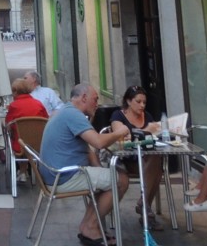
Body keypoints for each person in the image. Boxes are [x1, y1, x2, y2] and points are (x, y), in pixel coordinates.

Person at [41, 83, 130, 246]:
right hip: (63, 177)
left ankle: (89, 225)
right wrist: (119, 132)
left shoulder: (65, 111)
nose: (97, 104)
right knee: (121, 180)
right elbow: (98, 142)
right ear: (84, 98)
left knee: (107, 179)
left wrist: (98, 169)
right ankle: (90, 227)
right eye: (95, 99)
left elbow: (87, 148)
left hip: (55, 174)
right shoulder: (73, 115)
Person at [110, 85, 163, 230]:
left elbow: (151, 137)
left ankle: (143, 204)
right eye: (138, 101)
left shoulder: (147, 116)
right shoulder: (118, 116)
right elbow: (121, 137)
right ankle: (145, 210)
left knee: (156, 161)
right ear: (128, 101)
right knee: (156, 170)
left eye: (144, 102)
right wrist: (146, 131)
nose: (142, 105)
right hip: (127, 160)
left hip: (146, 158)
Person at [5, 77, 48, 154]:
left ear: (15, 91)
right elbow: (46, 121)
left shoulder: (14, 106)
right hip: (39, 146)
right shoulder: (38, 103)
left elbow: (8, 125)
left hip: (20, 145)